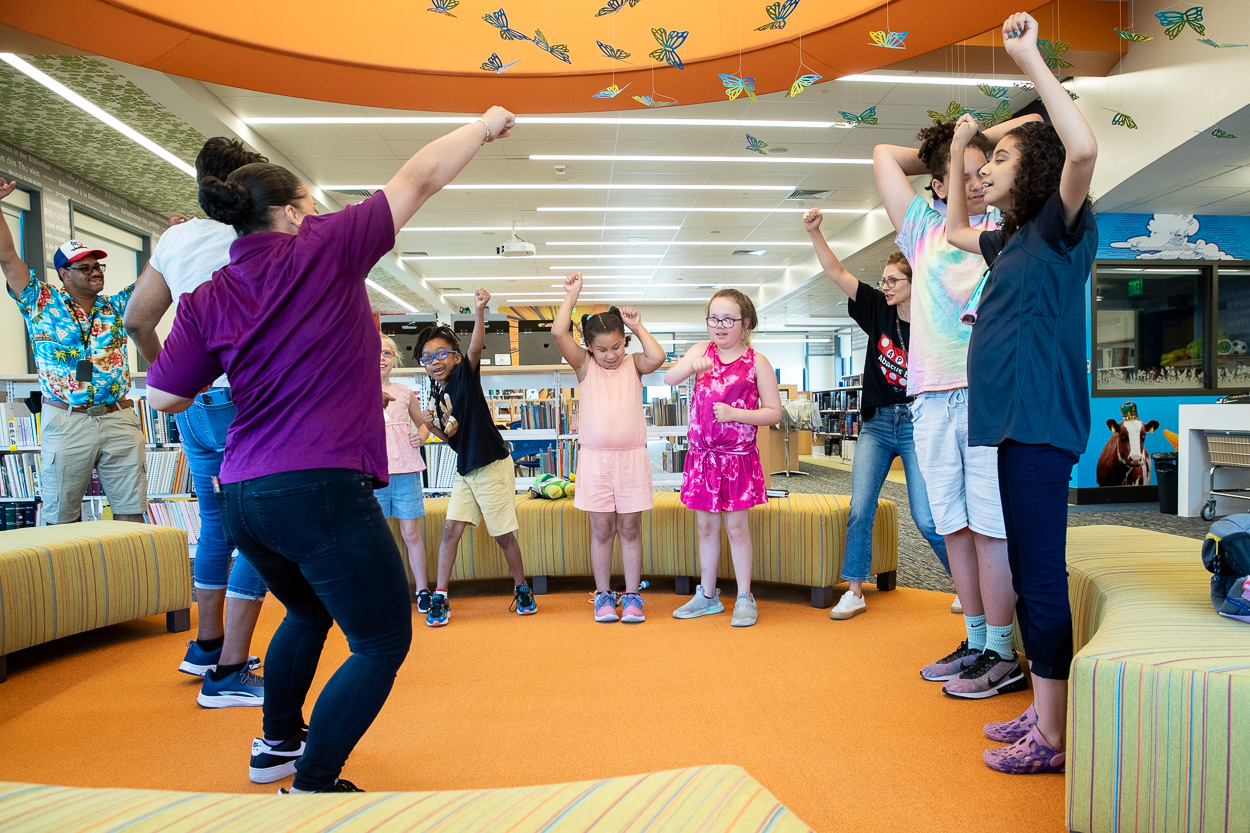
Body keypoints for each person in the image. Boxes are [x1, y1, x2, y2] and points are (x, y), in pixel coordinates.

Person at [144, 107, 517, 793]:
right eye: (308, 207)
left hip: (245, 496)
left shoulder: (207, 296)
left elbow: (165, 395)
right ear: (289, 212)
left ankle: (278, 743)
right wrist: (483, 125)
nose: (314, 214)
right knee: (381, 640)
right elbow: (420, 176)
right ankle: (313, 781)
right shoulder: (325, 244)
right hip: (319, 489)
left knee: (311, 609)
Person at [944, 10, 1099, 774]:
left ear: (1032, 168)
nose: (985, 170)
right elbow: (950, 230)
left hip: (1039, 424)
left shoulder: (1060, 226)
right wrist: (958, 156)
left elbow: (1084, 146)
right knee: (1034, 574)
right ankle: (1042, 710)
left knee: (1039, 577)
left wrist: (1029, 59)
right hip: (1011, 425)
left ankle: (1054, 735)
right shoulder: (1007, 241)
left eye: (999, 158)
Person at [874, 102, 1043, 699]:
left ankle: (1002, 648)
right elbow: (881, 156)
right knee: (953, 527)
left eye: (983, 173)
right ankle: (976, 642)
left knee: (992, 527)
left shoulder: (1006, 229)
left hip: (985, 397)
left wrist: (977, 142)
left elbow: (1031, 146)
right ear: (938, 182)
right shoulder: (922, 229)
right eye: (960, 174)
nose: (974, 183)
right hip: (929, 397)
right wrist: (952, 143)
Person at [124, 137, 268, 707]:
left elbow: (137, 321)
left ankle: (206, 646)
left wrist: (175, 376)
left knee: (216, 523)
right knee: (258, 525)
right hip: (246, 399)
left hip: (196, 406)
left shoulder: (175, 239)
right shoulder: (255, 239)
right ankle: (229, 672)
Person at [802, 212, 950, 620]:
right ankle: (854, 590)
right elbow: (835, 271)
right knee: (860, 507)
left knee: (927, 517)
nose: (884, 286)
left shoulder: (933, 320)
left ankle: (966, 583)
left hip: (918, 424)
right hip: (877, 425)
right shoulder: (875, 309)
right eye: (882, 280)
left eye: (891, 281)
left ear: (913, 284)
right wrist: (815, 232)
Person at [0, 212, 146, 526]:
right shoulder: (40, 301)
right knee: (60, 517)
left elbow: (151, 279)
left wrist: (171, 237)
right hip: (67, 420)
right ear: (65, 274)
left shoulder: (116, 305)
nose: (95, 272)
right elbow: (8, 258)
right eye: (85, 267)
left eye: (97, 266)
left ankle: (127, 575)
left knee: (131, 511)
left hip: (117, 417)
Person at [417, 288, 536, 628]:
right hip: (465, 467)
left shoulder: (465, 376)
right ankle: (440, 595)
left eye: (441, 354)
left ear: (454, 357)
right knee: (449, 530)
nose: (435, 361)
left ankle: (522, 588)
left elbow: (475, 347)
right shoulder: (436, 392)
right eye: (427, 358)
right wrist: (433, 428)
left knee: (503, 535)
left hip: (491, 464)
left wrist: (480, 310)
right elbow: (453, 439)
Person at [551, 273, 666, 624]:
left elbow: (657, 356)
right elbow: (558, 333)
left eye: (616, 347)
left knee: (630, 529)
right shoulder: (585, 367)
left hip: (631, 459)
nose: (611, 355)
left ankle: (632, 596)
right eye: (602, 349)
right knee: (602, 530)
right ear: (588, 347)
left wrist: (638, 325)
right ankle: (603, 596)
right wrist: (572, 295)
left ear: (624, 344)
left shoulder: (634, 365)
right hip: (596, 461)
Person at [664, 289, 781, 628]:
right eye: (713, 318)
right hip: (703, 458)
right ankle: (708, 594)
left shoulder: (756, 362)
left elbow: (774, 413)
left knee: (736, 527)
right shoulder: (701, 351)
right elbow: (669, 378)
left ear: (745, 323)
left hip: (738, 459)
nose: (719, 325)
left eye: (728, 319)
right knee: (705, 527)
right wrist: (689, 365)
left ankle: (744, 595)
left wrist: (736, 414)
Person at [377, 334, 431, 611]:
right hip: (375, 474)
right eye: (375, 353)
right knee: (377, 537)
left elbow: (423, 424)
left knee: (411, 534)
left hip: (407, 470)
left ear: (395, 358)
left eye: (387, 353)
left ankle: (422, 590)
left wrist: (420, 437)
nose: (381, 358)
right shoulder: (356, 392)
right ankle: (382, 591)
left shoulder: (404, 391)